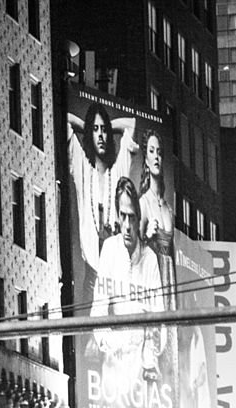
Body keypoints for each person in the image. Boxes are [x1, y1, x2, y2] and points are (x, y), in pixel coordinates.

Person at [88, 176, 166, 383]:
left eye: (132, 217)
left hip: (142, 369)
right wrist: (111, 342)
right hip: (113, 364)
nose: (127, 225)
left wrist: (148, 359)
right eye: (123, 216)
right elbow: (98, 309)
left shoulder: (150, 259)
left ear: (139, 218)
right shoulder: (109, 249)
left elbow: (159, 318)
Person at [66, 102, 139, 305]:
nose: (100, 135)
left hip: (115, 278)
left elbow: (131, 124)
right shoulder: (82, 167)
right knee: (88, 334)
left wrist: (105, 123)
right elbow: (66, 119)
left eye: (104, 130)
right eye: (95, 130)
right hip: (91, 274)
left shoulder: (117, 172)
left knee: (120, 333)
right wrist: (87, 126)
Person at [138, 129, 176, 309]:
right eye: (152, 151)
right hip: (152, 279)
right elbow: (133, 254)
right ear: (145, 159)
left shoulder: (169, 208)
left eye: (159, 152)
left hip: (170, 280)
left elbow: (173, 253)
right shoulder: (143, 203)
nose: (156, 157)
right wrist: (145, 236)